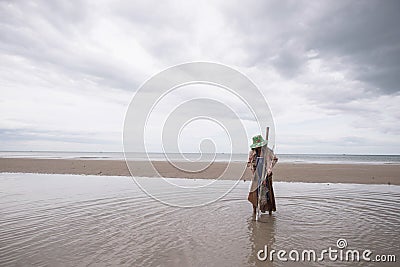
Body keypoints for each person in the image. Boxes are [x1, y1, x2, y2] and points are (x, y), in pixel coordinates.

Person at [247, 135, 278, 215]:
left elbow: (274, 159)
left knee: (268, 193)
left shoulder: (268, 151)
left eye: (260, 146)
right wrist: (252, 169)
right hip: (256, 175)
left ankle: (270, 211)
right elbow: (249, 163)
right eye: (257, 146)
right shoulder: (252, 153)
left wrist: (269, 168)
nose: (259, 148)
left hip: (266, 175)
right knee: (254, 193)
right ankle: (254, 211)